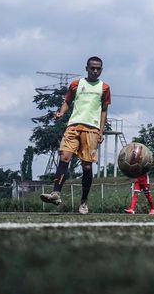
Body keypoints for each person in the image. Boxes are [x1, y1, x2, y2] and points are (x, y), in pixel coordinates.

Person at [40, 56, 111, 214]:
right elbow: (67, 101)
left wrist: (101, 131)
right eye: (92, 68)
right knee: (64, 157)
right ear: (86, 68)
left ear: (101, 70)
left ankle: (84, 202)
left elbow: (104, 110)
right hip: (73, 126)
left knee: (86, 166)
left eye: (98, 68)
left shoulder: (104, 88)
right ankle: (56, 193)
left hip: (91, 129)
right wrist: (61, 113)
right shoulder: (76, 84)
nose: (95, 71)